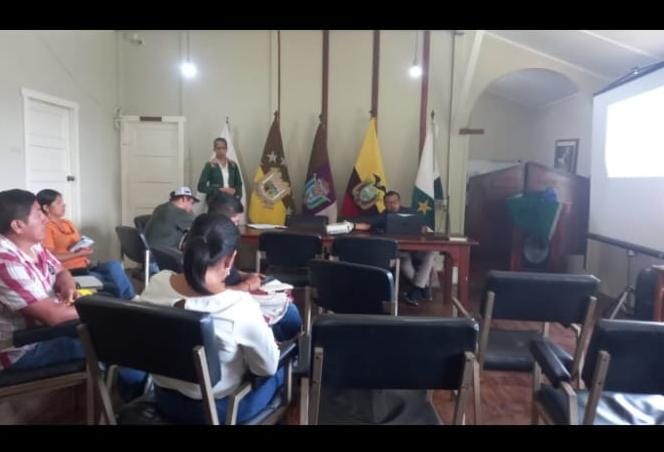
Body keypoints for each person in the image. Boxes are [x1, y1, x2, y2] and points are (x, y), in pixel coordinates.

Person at [0, 189, 146, 400]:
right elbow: (54, 316)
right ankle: (135, 399)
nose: (44, 218)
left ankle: (132, 390)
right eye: (38, 214)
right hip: (22, 348)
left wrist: (67, 285)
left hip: (46, 328)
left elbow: (60, 269)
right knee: (119, 340)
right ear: (18, 226)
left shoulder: (32, 245)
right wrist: (103, 308)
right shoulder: (6, 262)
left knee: (118, 327)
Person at [139, 213, 284, 424]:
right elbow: (265, 368)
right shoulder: (240, 306)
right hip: (218, 411)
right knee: (281, 368)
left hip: (165, 400)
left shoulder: (156, 283)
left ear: (185, 245)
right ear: (230, 259)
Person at [206, 191, 302, 341]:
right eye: (235, 222)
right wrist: (248, 285)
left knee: (283, 300)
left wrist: (245, 275)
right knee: (291, 316)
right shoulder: (213, 246)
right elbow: (212, 293)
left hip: (232, 294)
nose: (236, 227)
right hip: (228, 304)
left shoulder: (206, 236)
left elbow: (224, 273)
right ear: (222, 220)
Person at [36, 189, 136, 300]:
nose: (64, 205)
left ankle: (131, 299)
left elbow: (75, 247)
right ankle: (130, 301)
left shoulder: (67, 223)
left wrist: (83, 252)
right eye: (59, 202)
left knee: (114, 265)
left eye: (62, 202)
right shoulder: (46, 227)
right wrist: (78, 254)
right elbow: (50, 257)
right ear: (46, 207)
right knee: (113, 287)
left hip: (85, 265)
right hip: (70, 271)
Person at [355, 190, 436, 307]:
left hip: (416, 249)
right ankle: (421, 288)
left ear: (399, 201)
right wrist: (350, 225)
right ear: (384, 204)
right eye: (388, 203)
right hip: (400, 252)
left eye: (394, 202)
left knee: (430, 254)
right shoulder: (383, 216)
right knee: (405, 262)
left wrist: (423, 229)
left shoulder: (411, 212)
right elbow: (367, 225)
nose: (392, 205)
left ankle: (417, 289)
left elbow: (424, 227)